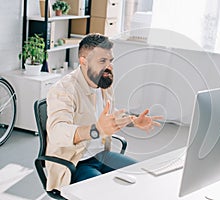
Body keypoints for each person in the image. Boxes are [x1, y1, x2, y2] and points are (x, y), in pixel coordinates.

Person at [46, 33, 162, 191]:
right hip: (76, 162)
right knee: (105, 193)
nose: (109, 67)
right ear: (83, 61)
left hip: (102, 155)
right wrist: (96, 130)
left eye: (110, 61)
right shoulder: (64, 90)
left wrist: (133, 120)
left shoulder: (102, 82)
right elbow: (57, 132)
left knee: (143, 178)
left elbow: (108, 114)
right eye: (102, 61)